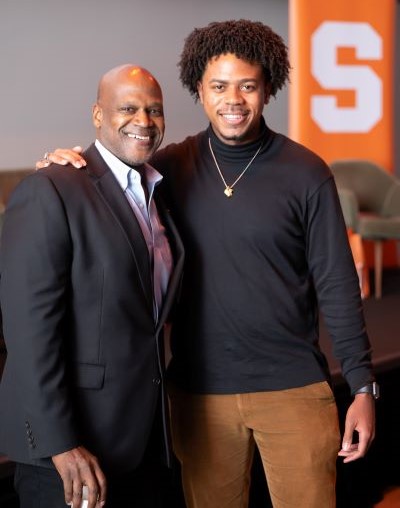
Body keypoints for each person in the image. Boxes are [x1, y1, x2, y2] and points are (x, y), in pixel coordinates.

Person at [36, 19, 377, 508]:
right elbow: (105, 175)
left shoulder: (307, 174)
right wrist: (67, 164)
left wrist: (363, 387)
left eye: (248, 85)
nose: (233, 99)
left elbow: (338, 286)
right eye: (219, 86)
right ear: (199, 89)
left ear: (267, 90)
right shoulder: (169, 168)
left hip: (294, 390)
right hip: (198, 396)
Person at [0, 64, 184, 508]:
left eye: (154, 110)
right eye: (128, 108)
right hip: (70, 452)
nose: (143, 121)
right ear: (98, 114)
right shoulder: (52, 190)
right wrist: (61, 444)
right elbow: (29, 335)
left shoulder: (158, 192)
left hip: (144, 444)